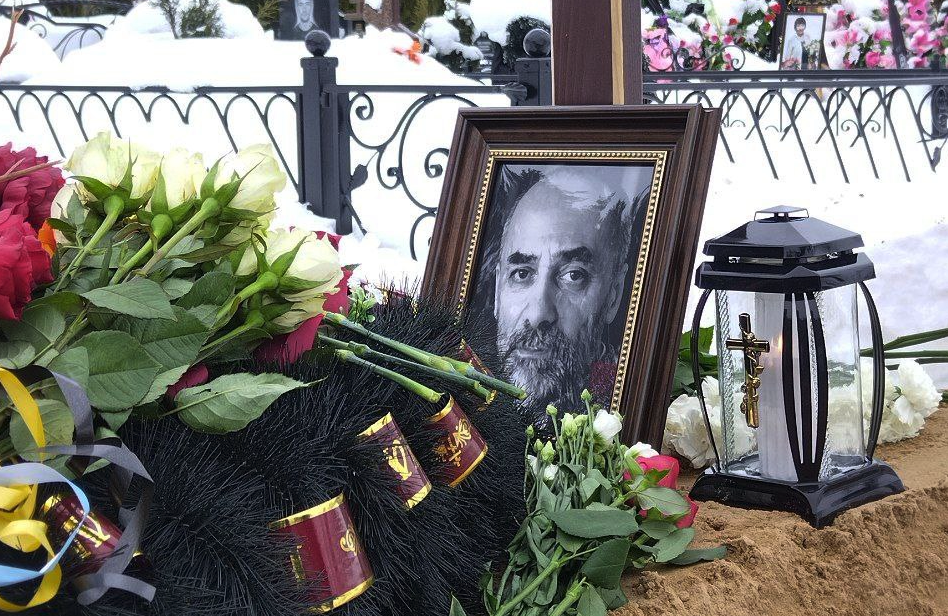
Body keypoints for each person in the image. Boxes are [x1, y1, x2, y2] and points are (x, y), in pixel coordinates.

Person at [491, 166, 649, 426]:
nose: (539, 313)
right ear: (498, 290)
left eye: (573, 276)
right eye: (521, 274)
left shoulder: (628, 408)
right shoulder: (460, 400)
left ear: (613, 294)